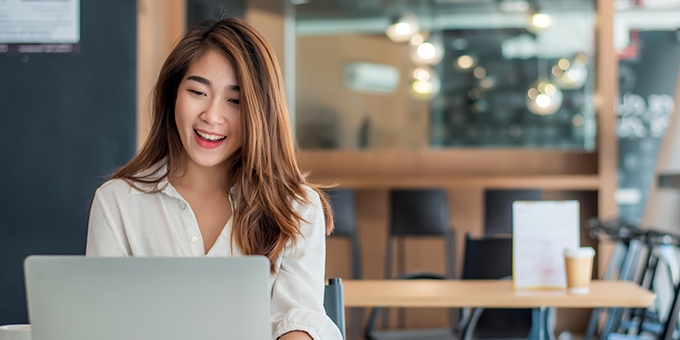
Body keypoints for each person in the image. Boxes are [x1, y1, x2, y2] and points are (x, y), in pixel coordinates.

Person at [86, 17, 342, 340]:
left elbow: (298, 322)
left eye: (234, 101)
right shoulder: (117, 203)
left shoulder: (296, 207)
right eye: (197, 91)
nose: (212, 116)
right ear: (172, 95)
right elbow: (101, 324)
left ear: (259, 114)